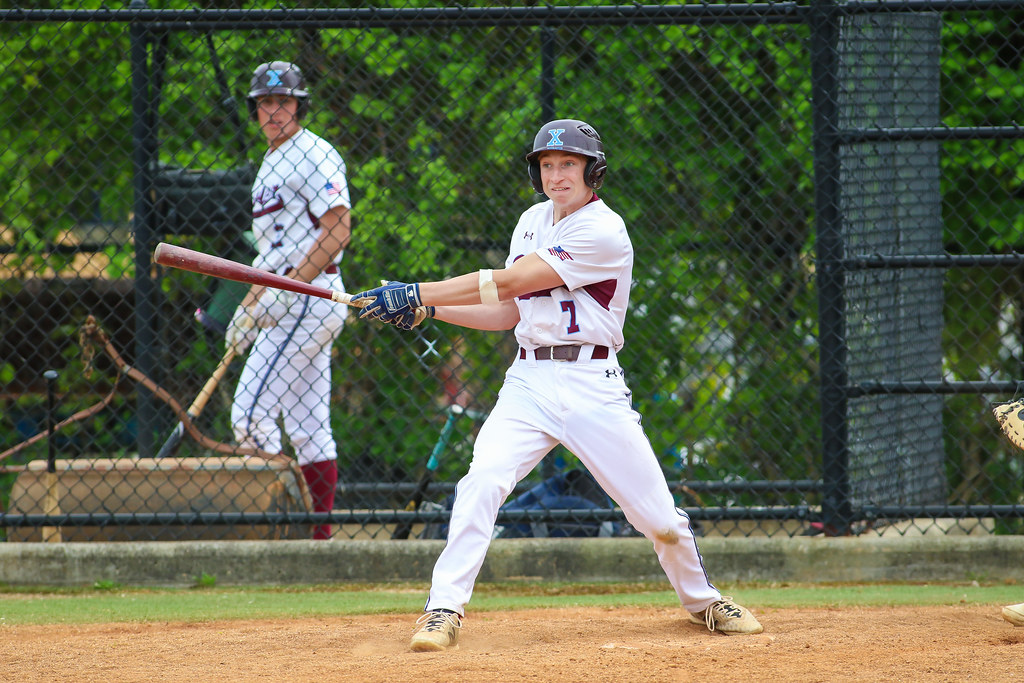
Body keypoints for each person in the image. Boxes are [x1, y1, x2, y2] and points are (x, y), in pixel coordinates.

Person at [352, 118, 763, 651]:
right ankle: (442, 609)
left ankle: (703, 601)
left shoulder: (603, 229)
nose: (557, 174)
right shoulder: (530, 221)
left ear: (592, 170)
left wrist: (415, 290)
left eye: (568, 163)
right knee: (482, 481)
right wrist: (429, 310)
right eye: (547, 165)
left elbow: (512, 281)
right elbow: (506, 311)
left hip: (592, 382)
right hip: (529, 380)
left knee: (658, 519)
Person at [225, 61, 351, 540]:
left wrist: (289, 286)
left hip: (308, 296)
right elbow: (273, 249)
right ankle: (318, 540)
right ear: (255, 110)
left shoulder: (314, 153)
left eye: (283, 101)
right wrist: (250, 304)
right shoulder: (272, 160)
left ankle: (282, 535)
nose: (274, 110)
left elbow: (337, 228)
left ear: (299, 105)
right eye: (264, 103)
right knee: (308, 428)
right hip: (290, 297)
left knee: (250, 417)